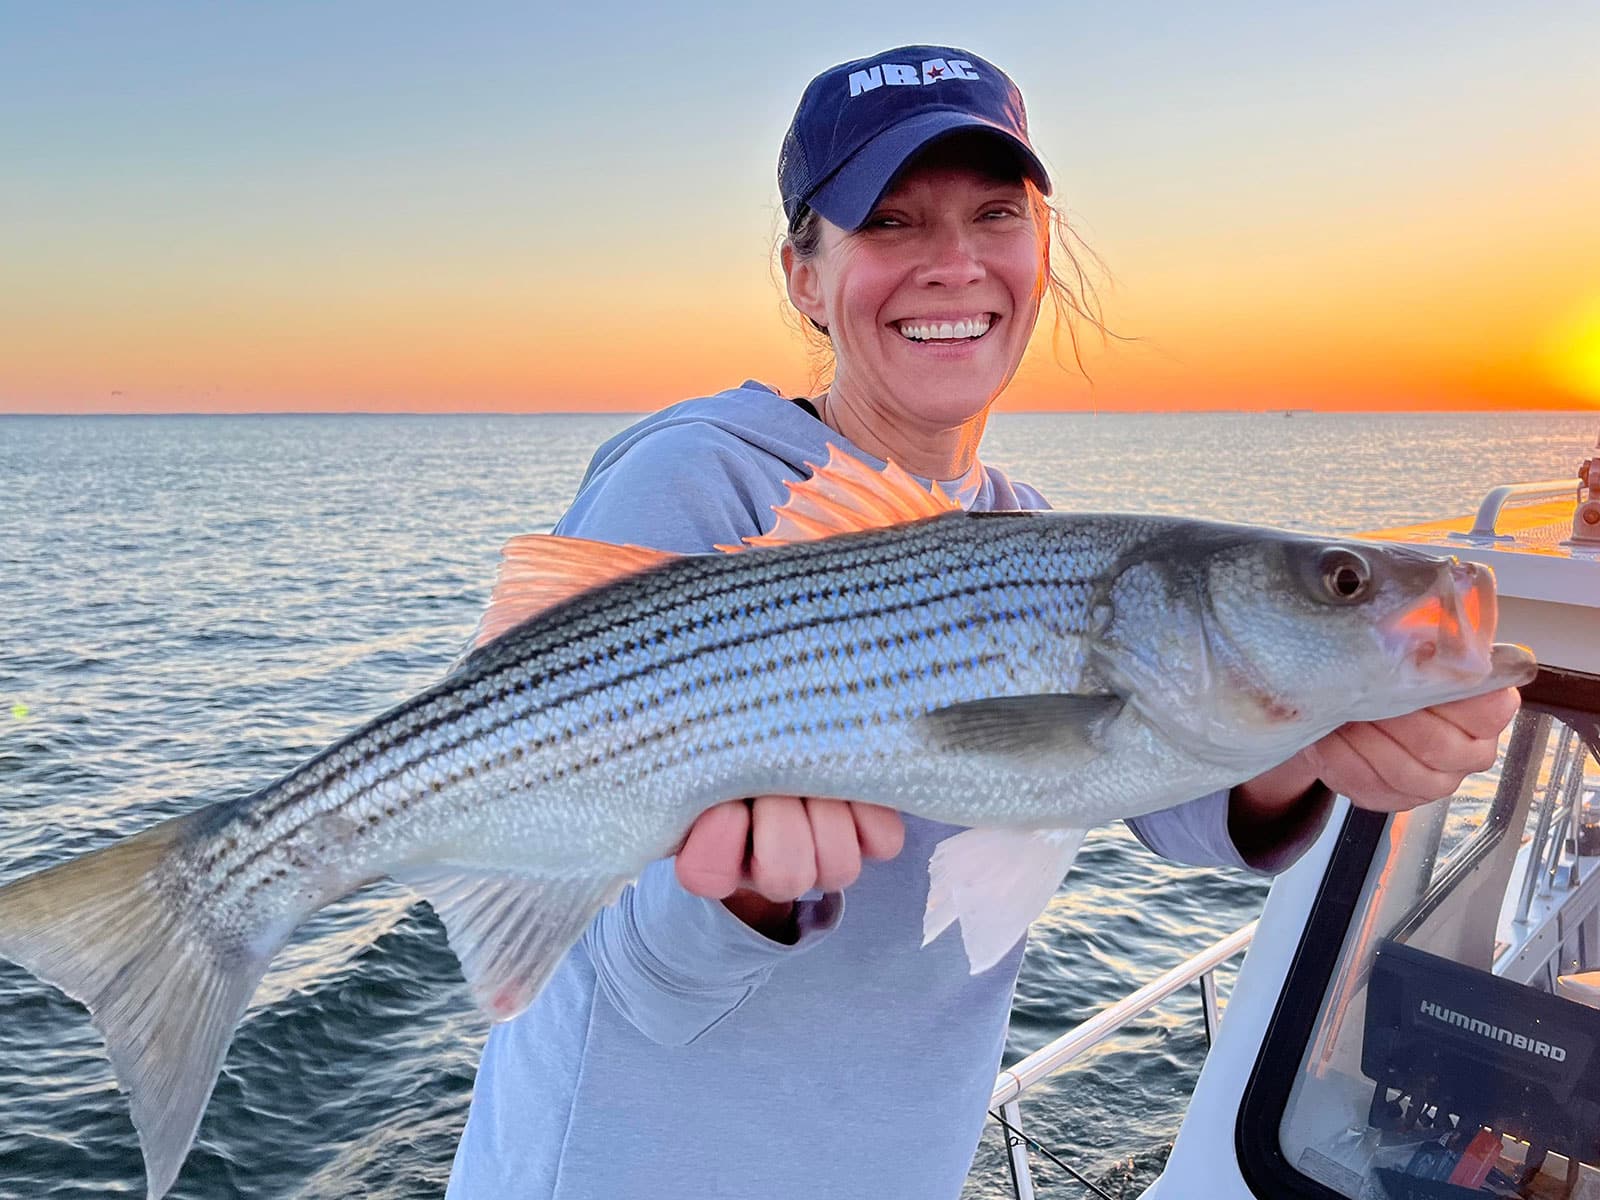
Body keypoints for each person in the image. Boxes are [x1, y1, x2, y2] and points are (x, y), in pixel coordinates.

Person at [446, 45, 1520, 1199]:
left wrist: (1305, 746)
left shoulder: (1027, 531)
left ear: (1042, 248)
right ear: (805, 276)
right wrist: (750, 898)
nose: (954, 264)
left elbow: (1167, 806)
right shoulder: (697, 479)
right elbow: (635, 985)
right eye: (891, 222)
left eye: (995, 213)